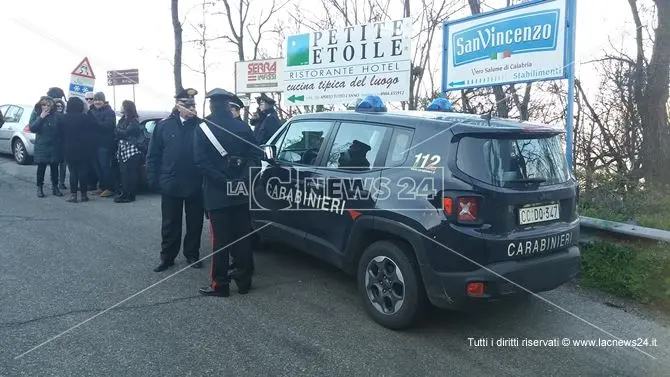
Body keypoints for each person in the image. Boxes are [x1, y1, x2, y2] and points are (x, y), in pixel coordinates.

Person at [194, 88, 262, 297]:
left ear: (211, 105)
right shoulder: (242, 127)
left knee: (220, 241)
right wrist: (242, 180)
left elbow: (201, 162)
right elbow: (256, 159)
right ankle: (244, 282)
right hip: (241, 192)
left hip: (217, 193)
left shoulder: (203, 128)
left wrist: (224, 181)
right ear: (227, 104)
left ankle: (220, 285)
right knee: (242, 238)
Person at [146, 88, 205, 272]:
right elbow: (153, 154)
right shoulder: (164, 126)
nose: (191, 108)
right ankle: (167, 257)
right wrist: (152, 177)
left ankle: (192, 254)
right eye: (187, 105)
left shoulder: (201, 126)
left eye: (193, 105)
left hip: (195, 182)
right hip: (171, 181)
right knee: (170, 222)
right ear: (178, 106)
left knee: (195, 222)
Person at [58, 97, 97, 202]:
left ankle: (73, 195)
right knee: (83, 172)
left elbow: (60, 134)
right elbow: (94, 126)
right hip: (84, 148)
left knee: (73, 172)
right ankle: (84, 195)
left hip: (68, 148)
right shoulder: (85, 118)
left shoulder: (63, 118)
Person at [29, 96, 64, 198]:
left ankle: (55, 187)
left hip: (54, 145)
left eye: (48, 105)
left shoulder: (56, 115)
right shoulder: (36, 113)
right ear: (40, 105)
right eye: (44, 105)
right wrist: (41, 117)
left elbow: (61, 130)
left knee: (54, 168)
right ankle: (39, 187)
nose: (46, 107)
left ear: (52, 106)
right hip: (42, 145)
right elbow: (32, 128)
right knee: (41, 167)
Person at [89, 92, 117, 198]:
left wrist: (94, 120)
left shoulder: (109, 112)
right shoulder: (91, 111)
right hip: (93, 144)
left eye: (99, 100)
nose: (97, 102)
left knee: (105, 166)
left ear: (104, 101)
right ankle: (102, 186)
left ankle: (110, 188)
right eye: (95, 100)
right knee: (97, 167)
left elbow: (108, 126)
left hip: (105, 144)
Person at [114, 100, 143, 203]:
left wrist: (118, 131)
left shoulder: (134, 121)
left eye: (122, 106)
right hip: (122, 148)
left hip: (132, 149)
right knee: (124, 173)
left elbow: (126, 133)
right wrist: (119, 132)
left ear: (127, 107)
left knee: (131, 173)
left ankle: (130, 195)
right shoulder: (122, 120)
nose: (120, 107)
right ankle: (125, 193)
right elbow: (117, 132)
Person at [54, 99, 68, 190]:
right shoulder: (52, 116)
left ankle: (61, 183)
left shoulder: (65, 117)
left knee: (63, 165)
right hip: (55, 143)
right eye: (57, 106)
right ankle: (55, 183)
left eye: (61, 106)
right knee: (54, 165)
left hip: (64, 144)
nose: (59, 108)